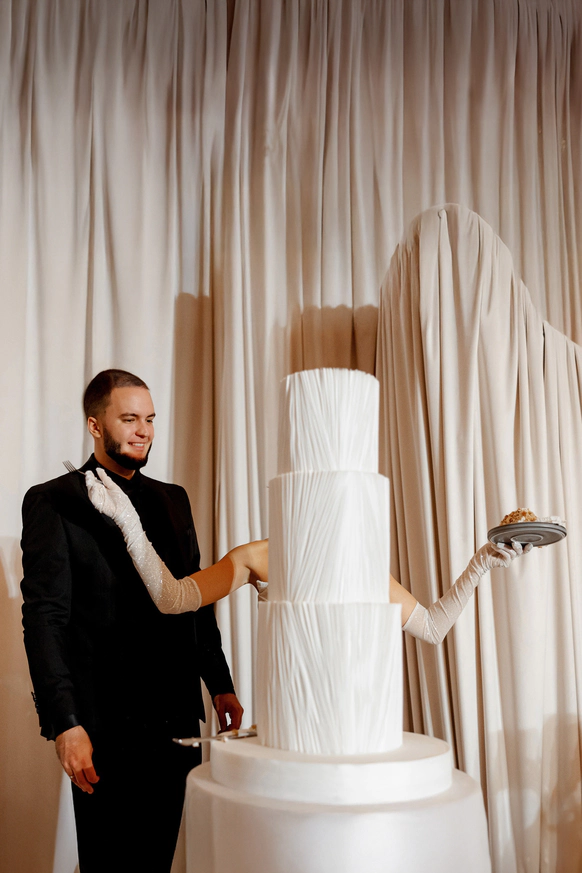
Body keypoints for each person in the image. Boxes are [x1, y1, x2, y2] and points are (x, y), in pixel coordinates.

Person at [20, 369, 247, 873]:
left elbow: (195, 598)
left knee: (156, 862)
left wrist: (220, 684)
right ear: (95, 425)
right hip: (103, 726)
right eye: (129, 419)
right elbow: (44, 621)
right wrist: (66, 724)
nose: (143, 430)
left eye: (149, 419)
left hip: (175, 721)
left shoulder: (174, 499)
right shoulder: (53, 499)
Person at [86, 466, 531, 643]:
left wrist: (482, 562)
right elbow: (174, 598)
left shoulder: (357, 563)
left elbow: (432, 629)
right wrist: (129, 524)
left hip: (354, 713)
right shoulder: (256, 556)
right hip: (291, 715)